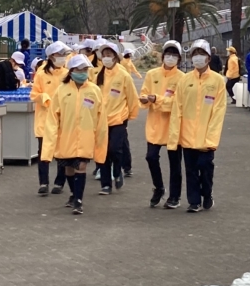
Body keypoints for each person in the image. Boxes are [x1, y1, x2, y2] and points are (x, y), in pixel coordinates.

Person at [41, 54, 108, 215]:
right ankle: (73, 193)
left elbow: (101, 117)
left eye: (85, 69)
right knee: (69, 169)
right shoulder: (61, 91)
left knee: (82, 166)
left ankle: (78, 200)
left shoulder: (94, 90)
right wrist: (50, 141)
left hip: (85, 137)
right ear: (71, 71)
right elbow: (53, 117)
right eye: (79, 69)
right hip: (66, 137)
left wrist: (100, 138)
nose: (83, 72)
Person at [168, 39, 227, 213]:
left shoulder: (217, 81)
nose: (197, 58)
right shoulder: (185, 80)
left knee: (205, 168)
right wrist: (175, 136)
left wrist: (211, 138)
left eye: (201, 54)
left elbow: (218, 112)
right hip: (187, 136)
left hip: (206, 137)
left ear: (208, 58)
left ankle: (207, 194)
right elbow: (177, 108)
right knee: (191, 170)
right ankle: (194, 201)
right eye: (194, 54)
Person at [140, 40, 185, 208]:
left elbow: (177, 102)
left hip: (174, 125)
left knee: (175, 162)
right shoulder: (152, 74)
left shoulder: (182, 78)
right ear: (162, 56)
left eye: (174, 55)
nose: (170, 57)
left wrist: (156, 99)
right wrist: (145, 99)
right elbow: (144, 94)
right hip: (155, 124)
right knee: (151, 157)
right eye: (168, 54)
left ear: (179, 58)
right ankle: (158, 188)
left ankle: (175, 196)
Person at [95, 41, 140, 195]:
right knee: (102, 152)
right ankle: (106, 184)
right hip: (100, 120)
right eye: (104, 55)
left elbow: (132, 97)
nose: (107, 58)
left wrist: (131, 115)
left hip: (118, 118)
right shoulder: (98, 75)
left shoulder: (123, 75)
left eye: (110, 55)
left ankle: (118, 171)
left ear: (115, 56)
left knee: (115, 149)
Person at [31, 41, 69, 196]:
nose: (63, 57)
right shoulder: (41, 74)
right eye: (60, 54)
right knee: (43, 152)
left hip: (63, 119)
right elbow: (34, 94)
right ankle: (43, 182)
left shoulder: (68, 74)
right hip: (44, 119)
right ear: (52, 56)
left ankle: (60, 182)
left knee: (61, 152)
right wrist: (45, 98)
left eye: (64, 54)